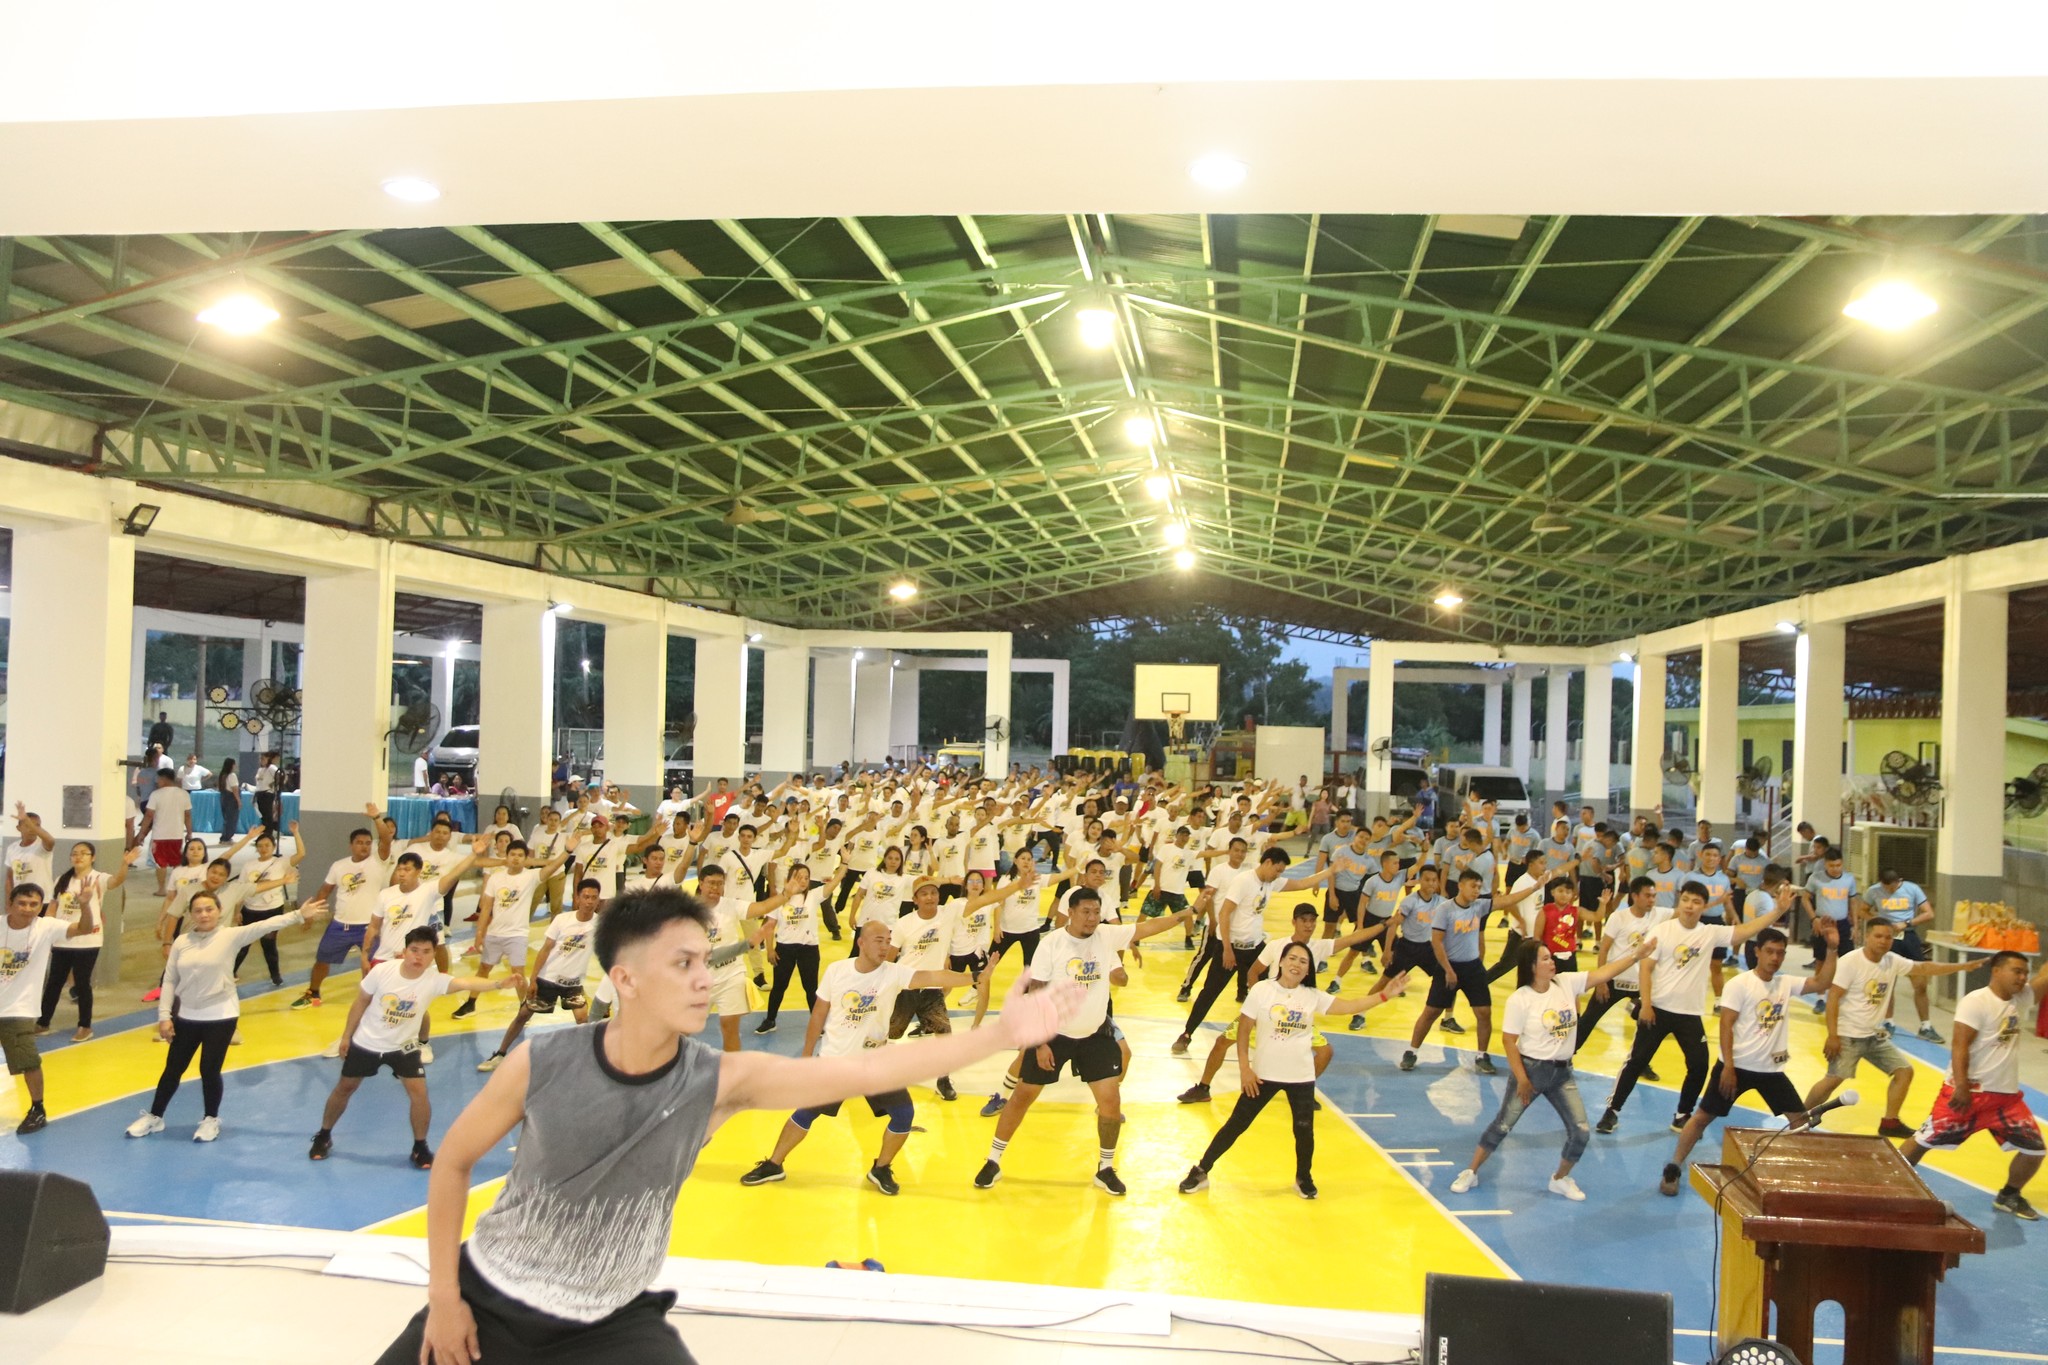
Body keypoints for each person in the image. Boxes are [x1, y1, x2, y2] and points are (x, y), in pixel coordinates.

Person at [375, 886, 1083, 1365]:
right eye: (683, 963)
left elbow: (868, 1069)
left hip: (611, 1321)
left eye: (706, 961)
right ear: (625, 979)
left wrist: (997, 1035)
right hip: (488, 1297)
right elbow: (453, 1163)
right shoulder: (541, 1060)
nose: (702, 979)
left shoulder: (719, 1080)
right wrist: (444, 1297)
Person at [740, 916, 989, 1195]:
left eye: (888, 941)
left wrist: (975, 976)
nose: (885, 946)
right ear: (861, 942)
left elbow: (933, 977)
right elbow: (818, 1014)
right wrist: (807, 1056)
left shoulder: (894, 972)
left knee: (903, 1114)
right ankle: (774, 1164)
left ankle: (880, 1168)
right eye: (879, 940)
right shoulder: (837, 971)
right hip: (836, 1062)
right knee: (805, 1113)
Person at [975, 886, 1193, 1195]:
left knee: (1110, 1102)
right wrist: (1040, 1044)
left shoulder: (1106, 936)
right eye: (1086, 912)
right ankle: (993, 1160)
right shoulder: (1052, 944)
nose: (1092, 918)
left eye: (1096, 912)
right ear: (1071, 912)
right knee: (1022, 1096)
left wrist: (1188, 912)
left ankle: (1106, 1168)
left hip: (1095, 1034)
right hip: (1053, 1034)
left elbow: (1149, 927)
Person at [1178, 942, 1410, 1200]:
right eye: (1292, 958)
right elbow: (1243, 1030)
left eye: (1303, 961)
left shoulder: (1312, 996)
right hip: (1263, 1075)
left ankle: (1303, 1177)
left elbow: (1350, 1005)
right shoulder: (1262, 990)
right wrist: (1245, 1068)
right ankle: (1202, 1170)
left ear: (1308, 969)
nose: (1296, 964)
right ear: (1281, 962)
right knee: (1236, 1124)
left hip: (1301, 1076)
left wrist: (1384, 995)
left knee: (1304, 1130)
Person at [1449, 935, 1657, 1201]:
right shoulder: (1520, 999)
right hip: (1531, 1072)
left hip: (1562, 1074)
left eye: (1551, 957)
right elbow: (1509, 1041)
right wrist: (1522, 1079)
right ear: (1532, 966)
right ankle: (1471, 1171)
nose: (1552, 962)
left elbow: (1604, 973)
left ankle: (1560, 1179)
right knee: (1502, 1125)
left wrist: (1636, 955)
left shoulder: (1566, 983)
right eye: (1545, 959)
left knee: (1581, 1131)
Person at [1593, 878, 1795, 1136]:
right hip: (1658, 1009)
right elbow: (1646, 969)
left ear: (1703, 906)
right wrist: (1646, 1004)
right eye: (1686, 900)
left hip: (1689, 1014)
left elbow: (1745, 931)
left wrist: (1778, 911)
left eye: (1696, 902)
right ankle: (1612, 1110)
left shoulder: (1709, 933)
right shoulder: (1661, 930)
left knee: (1699, 1066)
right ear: (1680, 901)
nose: (1689, 906)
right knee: (1636, 1061)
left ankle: (1682, 1114)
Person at [128, 888, 329, 1142]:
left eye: (209, 909)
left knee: (209, 1069)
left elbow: (266, 925)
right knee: (173, 1069)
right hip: (187, 1016)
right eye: (198, 910)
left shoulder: (230, 936)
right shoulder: (181, 942)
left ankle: (210, 1120)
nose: (204, 914)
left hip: (220, 1015)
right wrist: (165, 1016)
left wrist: (299, 914)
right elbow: (169, 980)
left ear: (219, 911)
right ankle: (155, 1117)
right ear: (191, 914)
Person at [312, 924, 518, 1167]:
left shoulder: (434, 980)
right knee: (345, 1088)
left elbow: (465, 982)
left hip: (404, 1047)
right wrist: (346, 1036)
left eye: (426, 952)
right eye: (414, 950)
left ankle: (420, 1147)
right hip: (367, 1042)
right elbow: (360, 1002)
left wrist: (499, 984)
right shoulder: (382, 972)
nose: (419, 957)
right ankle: (323, 1135)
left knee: (419, 1094)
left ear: (433, 955)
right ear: (404, 951)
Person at [1661, 922, 1841, 1195]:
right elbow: (1726, 1025)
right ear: (1757, 951)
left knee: (1800, 1123)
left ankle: (1805, 1178)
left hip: (1771, 1071)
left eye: (1780, 953)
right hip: (1736, 1068)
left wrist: (1832, 949)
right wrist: (1728, 1067)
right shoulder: (1740, 984)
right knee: (1701, 1118)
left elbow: (1822, 982)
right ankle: (1674, 1166)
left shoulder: (1785, 983)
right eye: (1770, 951)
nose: (1775, 958)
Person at [1176, 904, 1386, 1104]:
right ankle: (1203, 1087)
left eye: (1312, 921)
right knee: (1222, 1042)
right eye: (1304, 920)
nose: (1309, 925)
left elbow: (1354, 938)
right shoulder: (1276, 946)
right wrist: (1257, 1002)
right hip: (1266, 1011)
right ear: (1294, 922)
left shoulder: (1319, 947)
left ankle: (1303, 1090)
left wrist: (1385, 925)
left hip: (1296, 1016)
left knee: (1325, 1052)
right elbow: (1253, 972)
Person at [1898, 949, 2048, 1221]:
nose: (2023, 978)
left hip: (2006, 1100)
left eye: (2026, 973)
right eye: (2017, 971)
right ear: (1996, 971)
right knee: (1922, 1141)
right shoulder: (1976, 1001)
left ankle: (2009, 1195)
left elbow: (2044, 978)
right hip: (1969, 1094)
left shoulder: (2020, 998)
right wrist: (1962, 1086)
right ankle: (1889, 1184)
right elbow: (1960, 1045)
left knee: (2035, 1149)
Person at [1803, 917, 1979, 1138]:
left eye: (1888, 937)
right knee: (1833, 1079)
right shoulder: (1851, 961)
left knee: (1904, 1071)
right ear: (1866, 937)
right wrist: (1833, 1036)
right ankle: (1798, 1117)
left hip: (1872, 1035)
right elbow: (1833, 999)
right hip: (1848, 1035)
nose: (1883, 941)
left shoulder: (1892, 961)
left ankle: (1890, 1122)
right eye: (1878, 936)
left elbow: (1924, 967)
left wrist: (1962, 966)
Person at [1172, 847, 1337, 1055]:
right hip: (1231, 947)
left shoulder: (1271, 882)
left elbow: (1301, 883)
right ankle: (1187, 1034)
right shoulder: (1244, 881)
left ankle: (1275, 1033)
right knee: (1210, 992)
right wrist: (1227, 949)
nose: (1278, 875)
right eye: (1277, 870)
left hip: (1255, 948)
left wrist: (1331, 871)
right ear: (1267, 863)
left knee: (1274, 988)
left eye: (1281, 872)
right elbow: (1224, 914)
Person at [2, 880, 105, 1132]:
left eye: (34, 904)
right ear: (10, 904)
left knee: (28, 1061)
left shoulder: (46, 927)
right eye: (22, 903)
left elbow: (84, 928)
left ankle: (37, 1109)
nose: (28, 909)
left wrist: (85, 905)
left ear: (41, 906)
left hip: (18, 1010)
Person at [477, 879, 603, 1072]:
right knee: (523, 1015)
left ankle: (588, 1059)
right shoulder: (562, 920)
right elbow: (545, 949)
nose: (590, 901)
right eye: (586, 897)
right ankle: (500, 1054)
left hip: (573, 984)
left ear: (598, 900)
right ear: (577, 898)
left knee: (582, 1019)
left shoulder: (601, 924)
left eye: (594, 897)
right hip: (547, 979)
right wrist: (533, 979)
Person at [38, 842, 141, 1041]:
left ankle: (85, 1026)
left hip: (88, 940)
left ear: (92, 858)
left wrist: (125, 864)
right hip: (62, 938)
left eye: (84, 853)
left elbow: (117, 881)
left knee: (82, 982)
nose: (78, 857)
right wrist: (46, 931)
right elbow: (53, 907)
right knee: (54, 982)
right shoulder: (62, 879)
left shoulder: (98, 878)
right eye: (74, 853)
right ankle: (43, 1022)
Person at [292, 811, 395, 1010]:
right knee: (322, 960)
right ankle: (313, 993)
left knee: (375, 963)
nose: (364, 846)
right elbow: (325, 890)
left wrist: (376, 818)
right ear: (351, 845)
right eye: (359, 843)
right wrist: (311, 913)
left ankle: (377, 996)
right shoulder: (339, 866)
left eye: (368, 843)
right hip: (340, 925)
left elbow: (386, 839)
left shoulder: (378, 861)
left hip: (368, 926)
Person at [1399, 870, 1499, 1074]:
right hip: (1448, 967)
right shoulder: (1445, 909)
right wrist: (1448, 970)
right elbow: (1436, 942)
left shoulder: (1479, 906)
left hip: (1473, 968)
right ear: (1460, 886)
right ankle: (1411, 1051)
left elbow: (1506, 901)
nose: (1477, 891)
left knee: (1484, 1012)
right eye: (1473, 886)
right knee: (1431, 1012)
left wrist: (1534, 887)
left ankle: (1482, 1055)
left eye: (1479, 887)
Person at [1856, 868, 1945, 1040]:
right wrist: (1880, 923)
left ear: (1899, 881)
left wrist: (1907, 923)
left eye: (1893, 887)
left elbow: (1928, 913)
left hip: (1908, 936)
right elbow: (1862, 911)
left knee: (1920, 983)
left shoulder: (1912, 889)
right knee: (1887, 983)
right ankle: (1888, 1022)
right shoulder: (1873, 891)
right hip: (1888, 939)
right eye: (1887, 888)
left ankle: (1925, 1026)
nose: (1890, 891)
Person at [231, 823, 308, 986]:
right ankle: (231, 972)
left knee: (269, 944)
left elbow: (301, 854)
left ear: (273, 847)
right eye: (260, 846)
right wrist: (237, 911)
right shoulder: (248, 865)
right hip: (250, 910)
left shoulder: (281, 862)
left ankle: (275, 975)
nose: (263, 848)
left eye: (267, 845)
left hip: (272, 910)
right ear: (256, 848)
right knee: (243, 944)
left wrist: (296, 833)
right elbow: (241, 890)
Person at [138, 767, 194, 895]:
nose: (157, 782)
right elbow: (187, 815)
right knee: (177, 862)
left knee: (160, 863)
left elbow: (149, 815)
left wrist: (142, 833)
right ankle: (177, 888)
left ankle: (162, 889)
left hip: (160, 836)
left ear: (163, 779)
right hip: (177, 835)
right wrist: (189, 832)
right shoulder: (184, 794)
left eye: (158, 779)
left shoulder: (156, 795)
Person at [5, 802, 56, 904]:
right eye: (27, 825)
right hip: (21, 900)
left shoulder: (42, 845)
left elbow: (51, 841)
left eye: (37, 826)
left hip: (43, 900)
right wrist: (9, 902)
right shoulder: (12, 848)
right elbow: (10, 878)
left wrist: (27, 821)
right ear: (18, 828)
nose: (32, 829)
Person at [252, 750, 282, 839]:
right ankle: (265, 833)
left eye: (263, 758)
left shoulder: (271, 768)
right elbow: (258, 784)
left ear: (268, 759)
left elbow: (280, 776)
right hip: (259, 793)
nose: (261, 760)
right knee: (263, 816)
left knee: (268, 815)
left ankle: (268, 834)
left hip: (267, 794)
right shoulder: (260, 769)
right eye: (260, 759)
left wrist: (274, 784)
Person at [215, 756, 242, 842]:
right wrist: (238, 800)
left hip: (224, 797)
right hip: (231, 799)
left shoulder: (222, 775)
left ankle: (224, 836)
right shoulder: (232, 775)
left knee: (226, 818)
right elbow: (235, 789)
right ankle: (227, 837)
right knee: (232, 819)